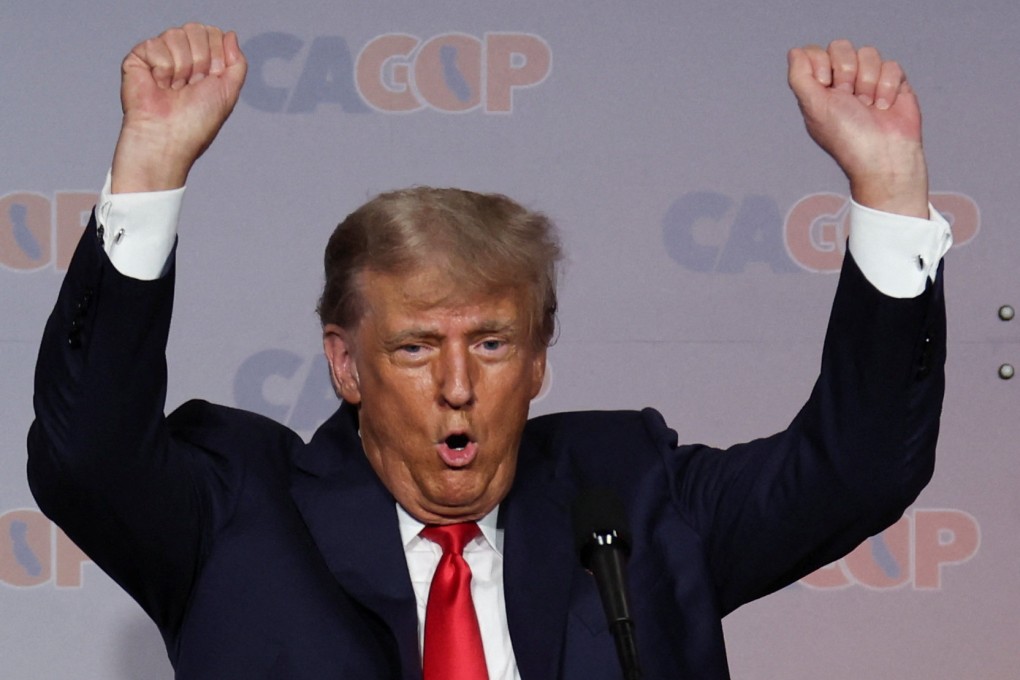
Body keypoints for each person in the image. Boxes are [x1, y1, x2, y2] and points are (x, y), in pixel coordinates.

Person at [28, 23, 950, 680]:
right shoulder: (235, 513)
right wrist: (149, 167)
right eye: (418, 347)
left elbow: (858, 469)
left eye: (494, 342)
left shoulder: (627, 495)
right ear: (347, 366)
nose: (459, 386)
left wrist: (889, 185)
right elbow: (83, 459)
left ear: (540, 360)